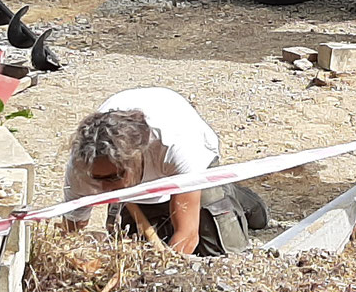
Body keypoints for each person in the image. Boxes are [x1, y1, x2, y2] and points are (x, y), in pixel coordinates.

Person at [61, 87, 267, 257]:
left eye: (114, 177)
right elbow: (70, 230)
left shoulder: (177, 146)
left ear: (135, 158)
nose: (106, 190)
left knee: (220, 253)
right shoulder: (82, 166)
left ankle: (237, 198)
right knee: (135, 251)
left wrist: (163, 273)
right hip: (149, 178)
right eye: (99, 180)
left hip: (193, 161)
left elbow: (187, 235)